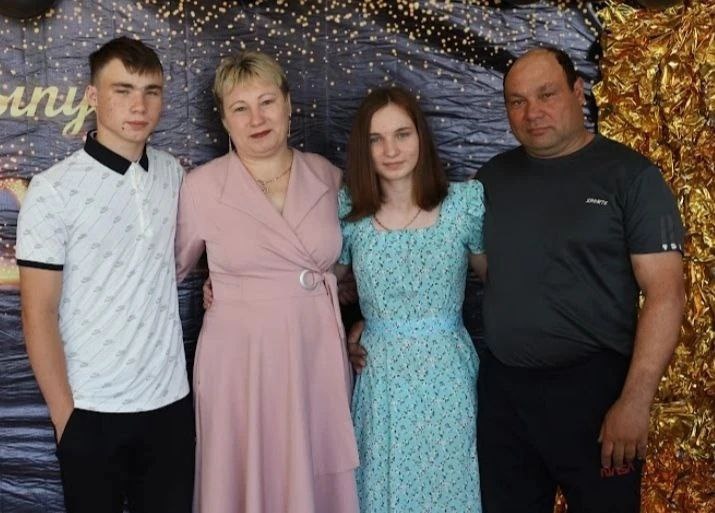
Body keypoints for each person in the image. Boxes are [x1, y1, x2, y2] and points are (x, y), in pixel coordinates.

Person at [476, 47, 685, 512]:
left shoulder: (631, 176)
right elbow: (464, 266)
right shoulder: (491, 178)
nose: (532, 112)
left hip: (595, 394)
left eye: (546, 94)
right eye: (517, 101)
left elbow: (666, 293)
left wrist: (635, 401)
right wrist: (379, 317)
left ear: (577, 90)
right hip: (505, 395)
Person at [174, 51, 359, 513]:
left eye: (267, 102)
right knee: (242, 471)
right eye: (240, 108)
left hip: (314, 352)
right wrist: (227, 284)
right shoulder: (200, 187)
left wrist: (357, 315)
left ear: (289, 104)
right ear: (224, 119)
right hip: (239, 361)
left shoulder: (329, 176)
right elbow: (170, 270)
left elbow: (355, 266)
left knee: (311, 469)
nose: (256, 119)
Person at [16, 37, 194, 513]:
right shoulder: (53, 191)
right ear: (93, 96)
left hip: (170, 406)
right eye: (123, 90)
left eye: (151, 91)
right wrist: (66, 417)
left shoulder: (173, 174)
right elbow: (37, 313)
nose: (139, 106)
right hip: (91, 411)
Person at [336, 86, 486, 513]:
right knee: (382, 490)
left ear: (421, 135)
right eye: (376, 139)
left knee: (448, 488)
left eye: (402, 134)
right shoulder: (350, 211)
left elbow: (502, 281)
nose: (391, 150)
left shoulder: (462, 205)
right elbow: (318, 285)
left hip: (447, 374)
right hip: (380, 374)